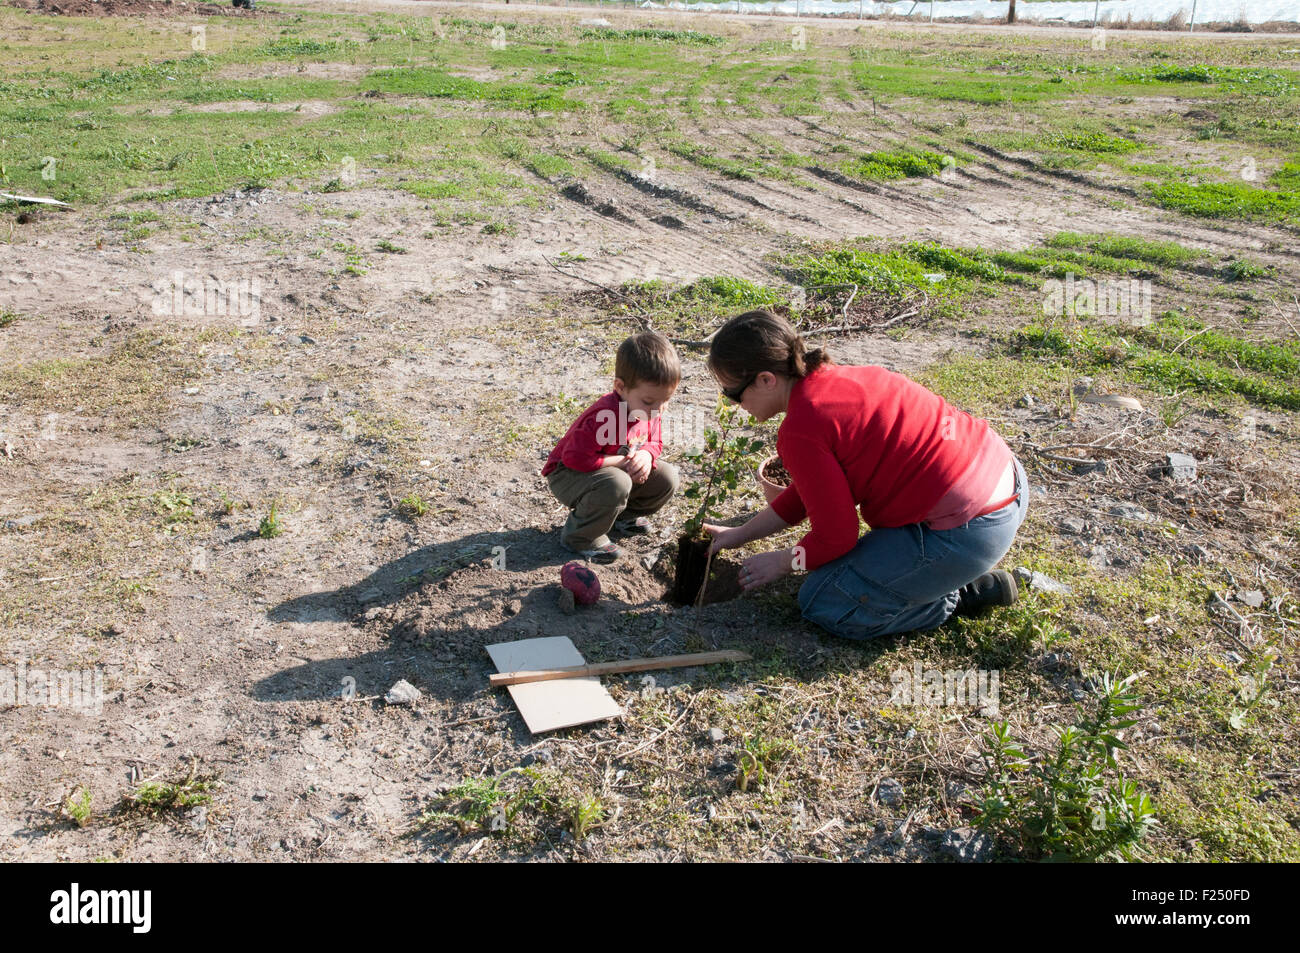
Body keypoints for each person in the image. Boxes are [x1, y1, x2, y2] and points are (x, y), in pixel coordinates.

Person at [702, 310, 1028, 640]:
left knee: (823, 601)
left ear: (766, 379)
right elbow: (809, 493)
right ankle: (939, 576)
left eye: (733, 394)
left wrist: (785, 561)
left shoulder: (802, 427)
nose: (733, 404)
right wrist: (738, 534)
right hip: (1006, 479)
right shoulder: (833, 378)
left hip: (970, 530)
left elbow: (838, 537)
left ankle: (957, 596)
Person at [543, 332, 681, 564]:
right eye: (649, 401)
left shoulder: (649, 409)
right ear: (620, 387)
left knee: (668, 477)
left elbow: (655, 442)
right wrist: (621, 463)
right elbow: (574, 459)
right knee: (618, 481)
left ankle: (621, 517)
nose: (658, 409)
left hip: (608, 472)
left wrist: (646, 455)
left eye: (666, 400)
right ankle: (580, 536)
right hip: (567, 475)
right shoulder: (604, 416)